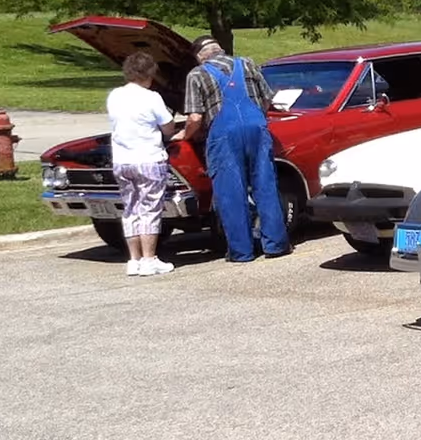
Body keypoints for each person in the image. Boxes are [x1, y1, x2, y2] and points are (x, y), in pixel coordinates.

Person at [182, 35, 291, 262]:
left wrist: (186, 133)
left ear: (200, 57)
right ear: (220, 49)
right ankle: (276, 245)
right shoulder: (248, 63)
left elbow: (195, 117)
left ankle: (241, 252)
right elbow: (267, 99)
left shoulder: (197, 74)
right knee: (265, 185)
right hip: (257, 129)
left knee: (231, 192)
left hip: (224, 135)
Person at [109, 52, 180, 276]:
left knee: (131, 209)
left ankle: (134, 260)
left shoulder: (115, 95)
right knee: (150, 209)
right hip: (148, 158)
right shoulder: (152, 98)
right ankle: (150, 259)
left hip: (122, 160)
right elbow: (168, 128)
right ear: (149, 74)